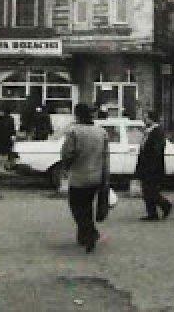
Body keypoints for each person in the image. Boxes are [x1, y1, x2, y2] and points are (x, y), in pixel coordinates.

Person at [60, 103, 109, 252]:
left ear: (77, 115)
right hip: (96, 176)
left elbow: (67, 153)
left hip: (79, 177)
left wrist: (66, 167)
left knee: (77, 208)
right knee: (87, 207)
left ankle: (90, 234)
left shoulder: (74, 131)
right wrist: (105, 176)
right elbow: (106, 156)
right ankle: (83, 236)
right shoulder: (101, 132)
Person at [135, 111, 172, 221]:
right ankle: (152, 213)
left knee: (150, 190)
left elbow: (157, 150)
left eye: (146, 118)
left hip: (152, 167)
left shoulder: (157, 132)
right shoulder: (149, 131)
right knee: (146, 190)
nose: (144, 120)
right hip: (146, 166)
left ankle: (165, 205)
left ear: (152, 119)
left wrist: (151, 165)